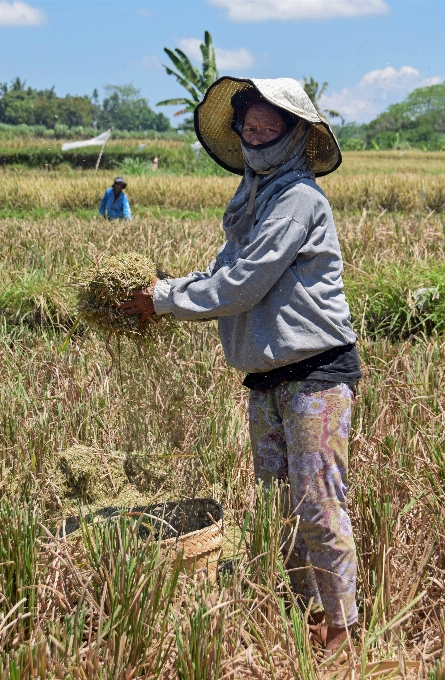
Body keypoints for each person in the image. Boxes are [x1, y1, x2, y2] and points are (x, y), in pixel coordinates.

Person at [119, 77, 362, 660]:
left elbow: (244, 283)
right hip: (269, 379)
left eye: (267, 127)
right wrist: (161, 292)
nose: (255, 136)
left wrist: (164, 300)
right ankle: (305, 614)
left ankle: (344, 629)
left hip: (316, 374)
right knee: (281, 501)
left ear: (294, 134)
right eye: (248, 126)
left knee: (317, 501)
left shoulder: (299, 199)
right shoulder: (249, 200)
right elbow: (216, 274)